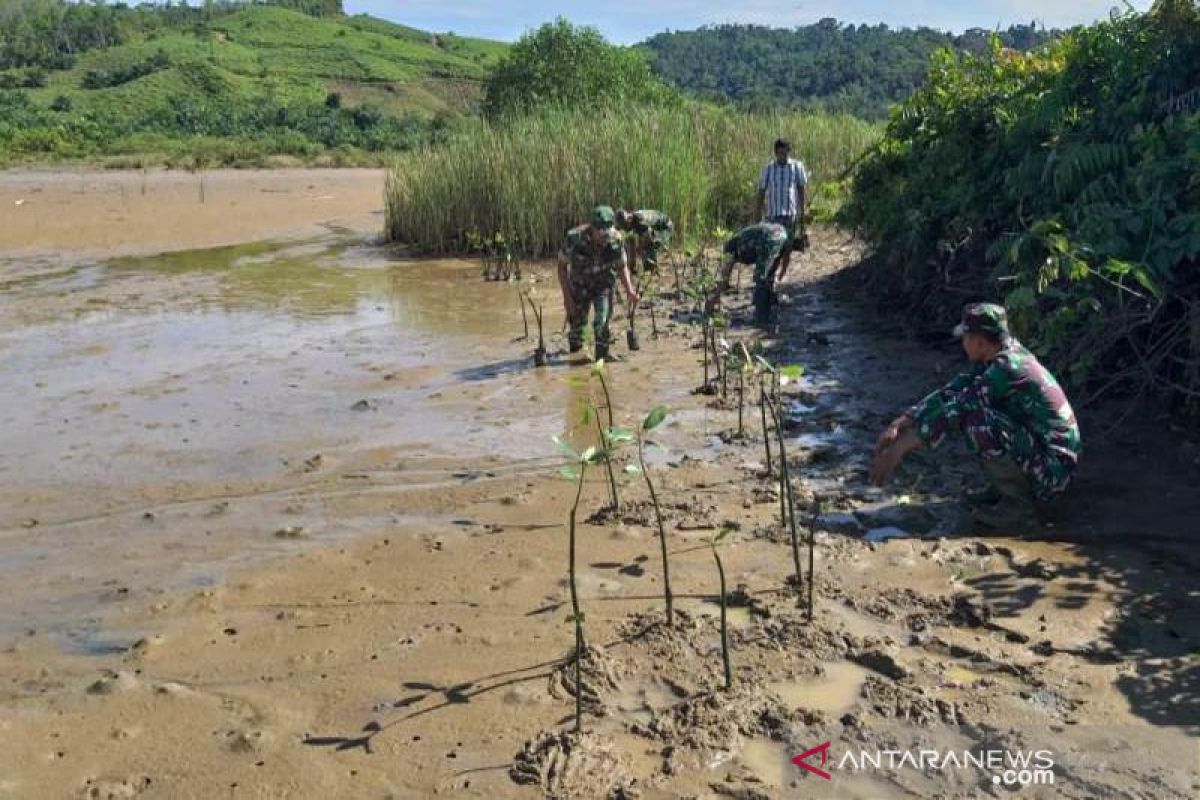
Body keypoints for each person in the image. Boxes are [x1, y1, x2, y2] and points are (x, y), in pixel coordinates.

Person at [870, 303, 1082, 530]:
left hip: (1054, 471)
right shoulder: (998, 356)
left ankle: (1018, 506)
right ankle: (1004, 490)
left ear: (980, 342)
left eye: (966, 338)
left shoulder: (1009, 368)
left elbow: (958, 408)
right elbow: (952, 391)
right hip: (1043, 455)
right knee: (976, 416)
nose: (962, 343)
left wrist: (900, 448)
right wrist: (903, 421)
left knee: (979, 421)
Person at [557, 205, 639, 362]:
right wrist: (567, 299)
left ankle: (602, 356)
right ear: (592, 228)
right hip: (580, 285)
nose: (603, 239)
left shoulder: (616, 239)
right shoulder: (574, 239)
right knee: (577, 323)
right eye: (600, 235)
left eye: (606, 234)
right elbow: (561, 267)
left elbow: (622, 266)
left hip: (603, 285)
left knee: (602, 322)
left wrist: (630, 290)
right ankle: (576, 356)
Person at [709, 222, 789, 323]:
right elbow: (786, 253)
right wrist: (780, 275)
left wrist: (714, 298)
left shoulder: (730, 248)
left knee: (761, 278)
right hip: (781, 232)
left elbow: (724, 280)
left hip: (768, 238)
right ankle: (769, 302)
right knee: (769, 272)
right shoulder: (740, 237)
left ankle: (761, 317)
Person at [757, 138, 808, 285]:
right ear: (775, 153)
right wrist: (758, 217)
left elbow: (801, 190)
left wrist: (802, 214)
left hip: (790, 215)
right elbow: (761, 192)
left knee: (787, 247)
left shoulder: (796, 167)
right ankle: (771, 277)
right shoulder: (768, 169)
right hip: (773, 216)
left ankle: (782, 274)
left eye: (785, 154)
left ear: (789, 152)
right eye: (779, 154)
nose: (782, 157)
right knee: (774, 249)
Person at [615, 208, 674, 274]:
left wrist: (639, 248)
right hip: (655, 228)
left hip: (665, 228)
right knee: (630, 241)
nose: (624, 228)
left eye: (624, 226)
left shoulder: (639, 220)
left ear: (628, 220)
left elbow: (647, 236)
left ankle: (652, 268)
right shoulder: (633, 220)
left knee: (647, 245)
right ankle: (632, 268)